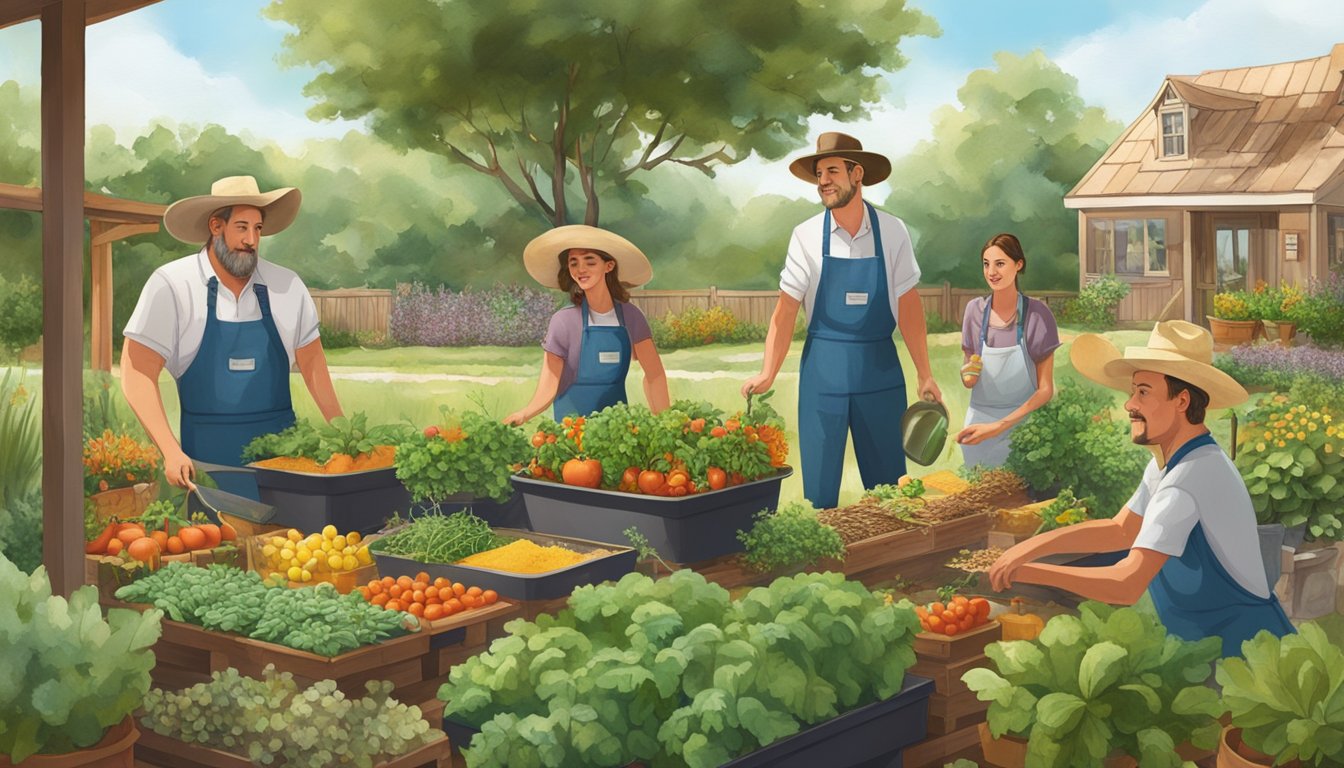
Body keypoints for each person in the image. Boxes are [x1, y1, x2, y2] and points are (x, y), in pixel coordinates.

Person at [988, 320, 1293, 656]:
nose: (1129, 404)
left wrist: (1029, 572)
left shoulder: (1190, 477)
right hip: (1205, 647)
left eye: (1143, 392)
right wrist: (1029, 548)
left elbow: (1127, 584)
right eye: (1132, 391)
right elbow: (1121, 531)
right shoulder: (1169, 462)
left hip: (1243, 654)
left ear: (1182, 400)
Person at [741, 132, 942, 509]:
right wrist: (768, 372)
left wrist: (925, 373)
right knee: (819, 494)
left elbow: (909, 308)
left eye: (832, 171)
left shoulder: (893, 232)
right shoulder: (804, 236)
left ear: (857, 174)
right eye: (819, 174)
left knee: (890, 493)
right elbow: (785, 312)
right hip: (823, 376)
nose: (823, 182)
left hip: (880, 375)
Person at [121, 176, 343, 498]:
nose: (251, 239)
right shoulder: (172, 285)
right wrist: (170, 450)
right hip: (209, 472)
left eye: (258, 229)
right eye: (241, 227)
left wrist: (344, 434)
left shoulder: (287, 286)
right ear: (215, 226)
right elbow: (137, 370)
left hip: (284, 468)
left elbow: (311, 362)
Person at [504, 225, 669, 425]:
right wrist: (525, 413)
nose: (580, 269)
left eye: (589, 261)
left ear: (609, 266)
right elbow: (550, 383)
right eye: (574, 263)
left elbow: (655, 375)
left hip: (616, 428)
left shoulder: (631, 316)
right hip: (571, 428)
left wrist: (665, 421)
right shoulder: (563, 321)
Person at [955, 233, 1060, 468]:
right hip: (978, 426)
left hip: (1024, 427)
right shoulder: (974, 310)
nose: (991, 271)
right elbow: (968, 368)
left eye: (1000, 263)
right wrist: (967, 375)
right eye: (986, 264)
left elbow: (1045, 389)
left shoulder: (1038, 315)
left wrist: (1000, 426)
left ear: (1018, 265)